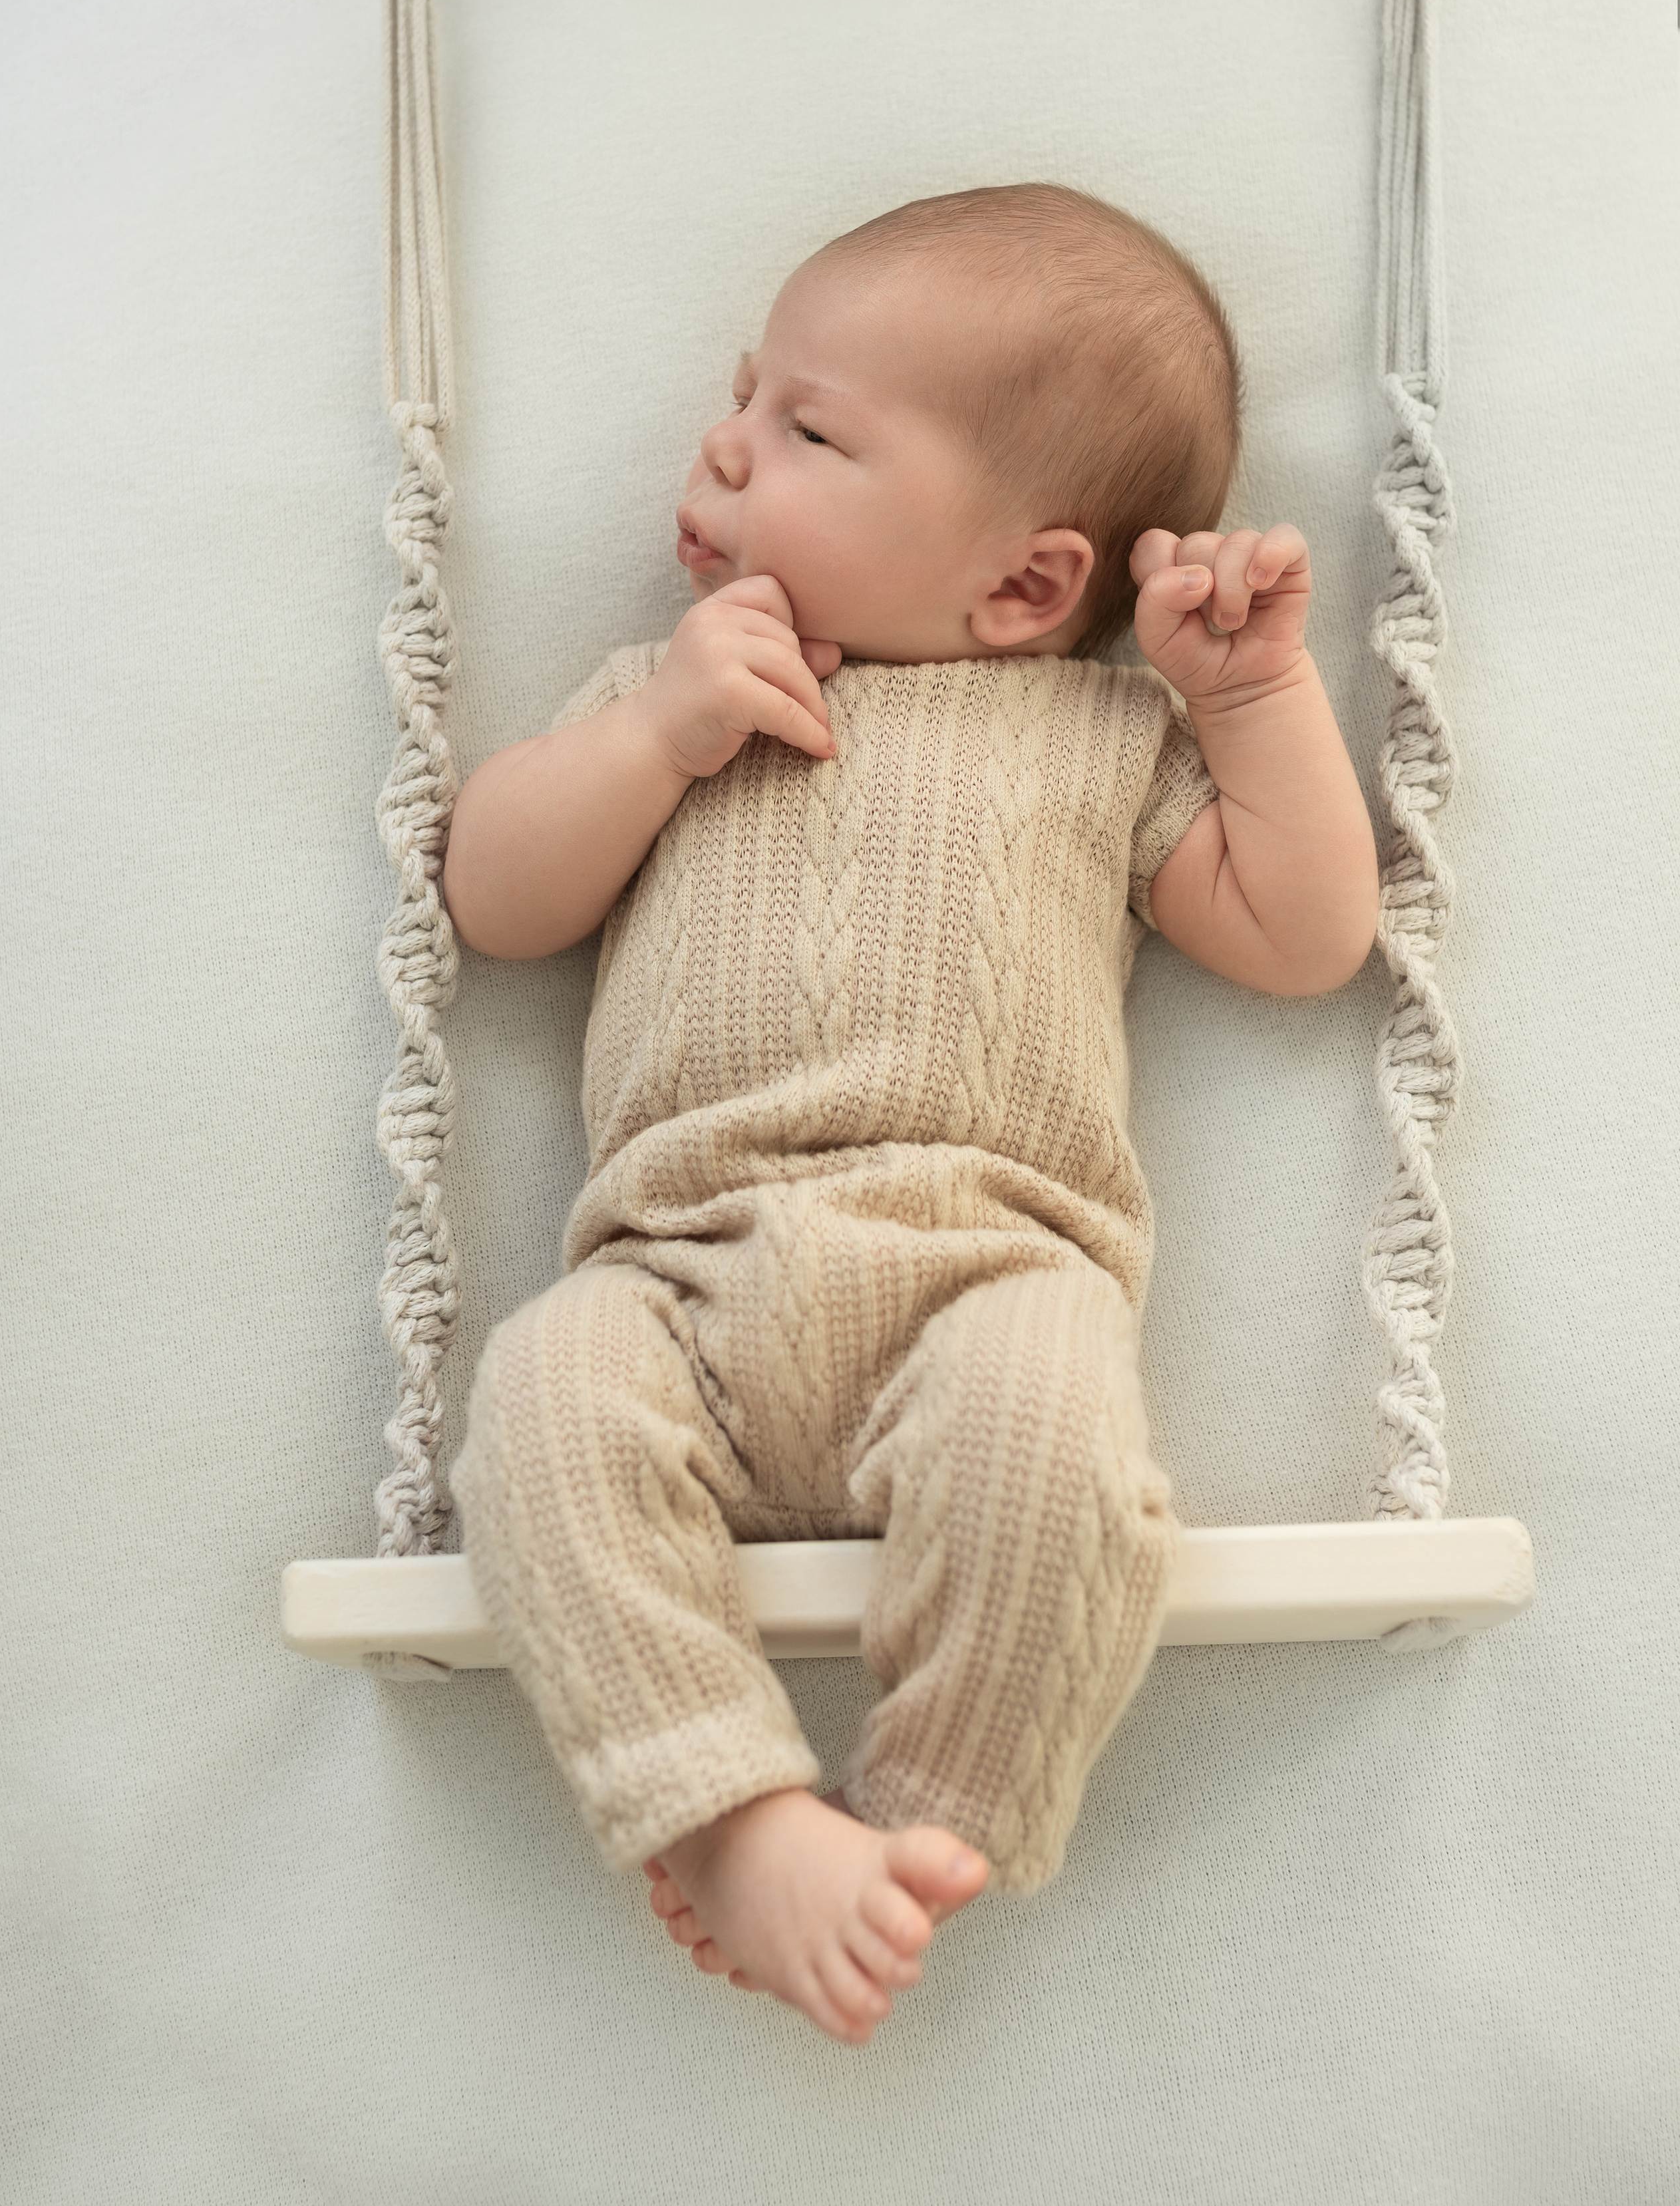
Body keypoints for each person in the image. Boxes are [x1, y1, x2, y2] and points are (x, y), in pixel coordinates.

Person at [442, 182, 1379, 2046]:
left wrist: (1257, 697)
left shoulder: (1104, 745)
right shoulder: (660, 692)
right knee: (536, 1407)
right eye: (742, 392)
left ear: (1029, 586)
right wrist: (647, 741)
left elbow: (1306, 932)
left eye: (805, 428)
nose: (720, 439)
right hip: (677, 1282)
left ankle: (926, 1817)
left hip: (987, 1277)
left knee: (1061, 1449)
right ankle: (721, 1811)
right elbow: (496, 899)